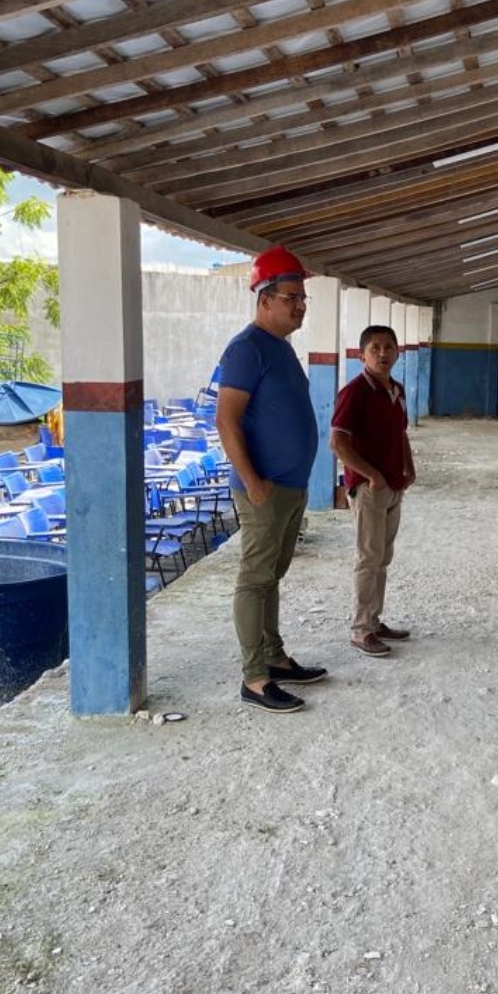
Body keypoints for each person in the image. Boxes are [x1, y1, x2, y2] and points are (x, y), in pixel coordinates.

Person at [216, 245, 327, 714]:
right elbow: (227, 421)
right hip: (265, 487)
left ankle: (275, 657)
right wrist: (253, 481)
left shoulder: (279, 348)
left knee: (271, 577)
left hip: (290, 487)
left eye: (302, 297)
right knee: (254, 578)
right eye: (291, 297)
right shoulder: (246, 349)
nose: (300, 305)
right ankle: (254, 678)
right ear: (264, 300)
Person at [330, 325, 416, 657]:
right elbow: (337, 442)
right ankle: (361, 629)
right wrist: (371, 475)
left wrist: (409, 467)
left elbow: (402, 433)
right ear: (361, 354)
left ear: (397, 352)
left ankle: (375, 620)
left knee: (382, 557)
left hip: (393, 485)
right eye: (375, 348)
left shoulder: (396, 389)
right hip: (369, 488)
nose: (383, 353)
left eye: (389, 347)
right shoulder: (355, 391)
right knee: (368, 558)